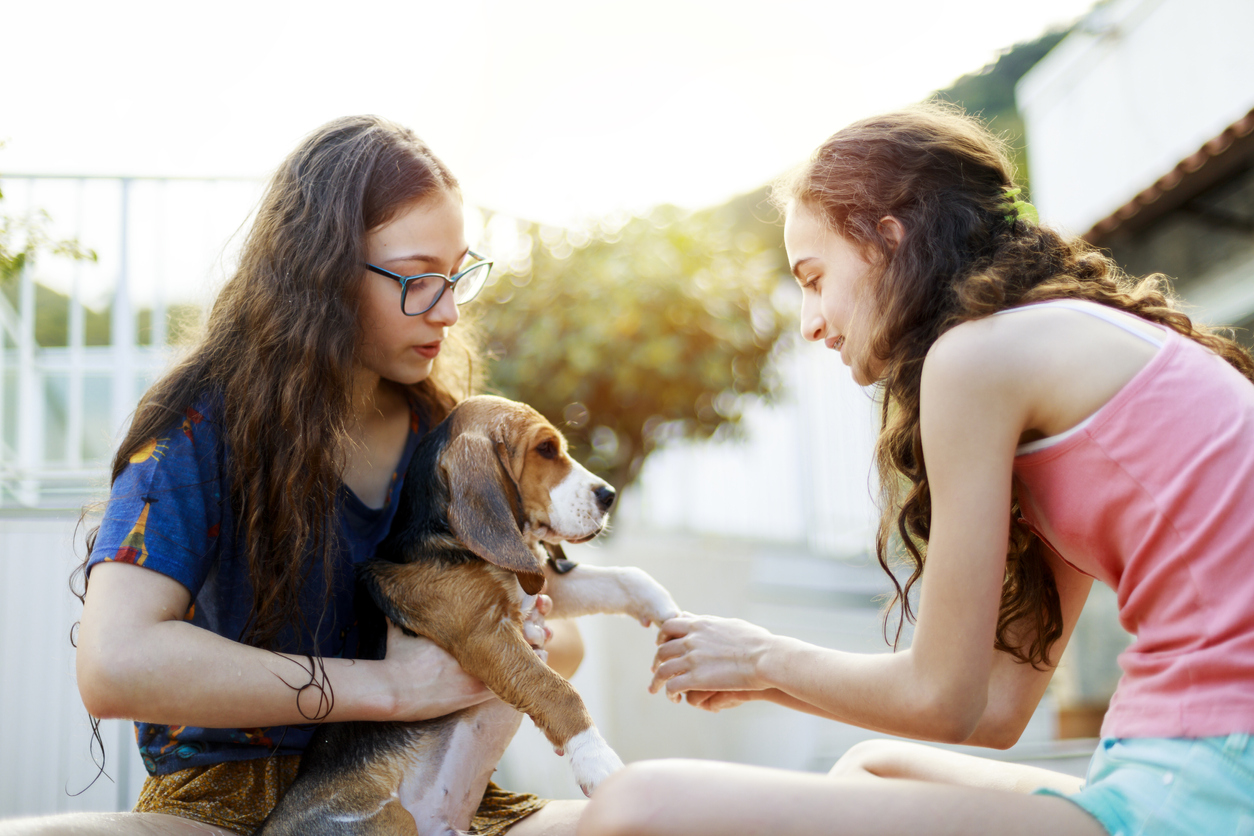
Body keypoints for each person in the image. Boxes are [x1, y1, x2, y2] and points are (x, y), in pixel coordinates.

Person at [577, 104, 1254, 836]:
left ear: (886, 240)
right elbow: (992, 708)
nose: (809, 321)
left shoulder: (977, 356)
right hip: (1192, 758)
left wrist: (762, 654)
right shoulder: (1055, 350)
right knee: (872, 769)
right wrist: (761, 675)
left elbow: (942, 696)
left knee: (633, 808)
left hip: (1211, 775)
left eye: (813, 277)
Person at [0, 116, 585, 836]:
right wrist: (392, 688)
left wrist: (503, 642)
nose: (449, 308)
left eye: (458, 272)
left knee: (665, 813)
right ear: (325, 272)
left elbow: (567, 641)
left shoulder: (453, 440)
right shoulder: (199, 430)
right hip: (221, 808)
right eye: (417, 278)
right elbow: (114, 663)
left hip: (431, 786)